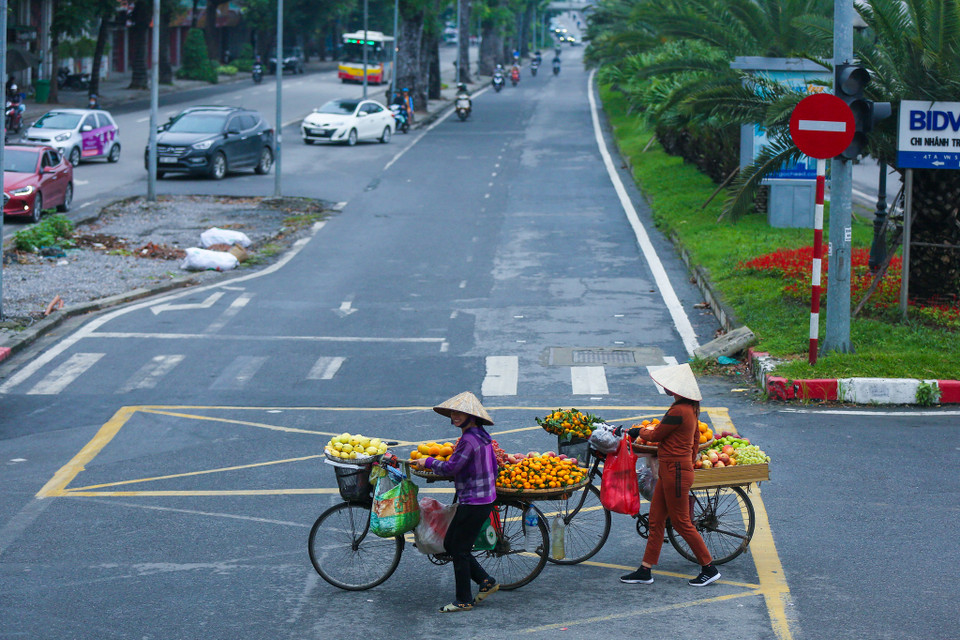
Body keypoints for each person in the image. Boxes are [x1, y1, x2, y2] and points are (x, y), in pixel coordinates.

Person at [620, 363, 722, 587]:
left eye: (668, 385)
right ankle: (645, 569)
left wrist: (638, 431)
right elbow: (695, 441)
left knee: (681, 522)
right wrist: (689, 459)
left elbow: (656, 435)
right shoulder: (690, 408)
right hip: (673, 470)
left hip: (675, 472)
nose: (665, 387)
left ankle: (708, 567)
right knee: (656, 520)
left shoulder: (679, 411)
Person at [412, 391, 499, 612]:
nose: (455, 416)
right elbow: (492, 466)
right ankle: (485, 581)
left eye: (461, 413)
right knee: (452, 544)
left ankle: (464, 600)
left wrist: (428, 461)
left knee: (458, 549)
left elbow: (451, 467)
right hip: (483, 497)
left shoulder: (468, 440)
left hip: (474, 500)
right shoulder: (481, 435)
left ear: (472, 416)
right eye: (454, 412)